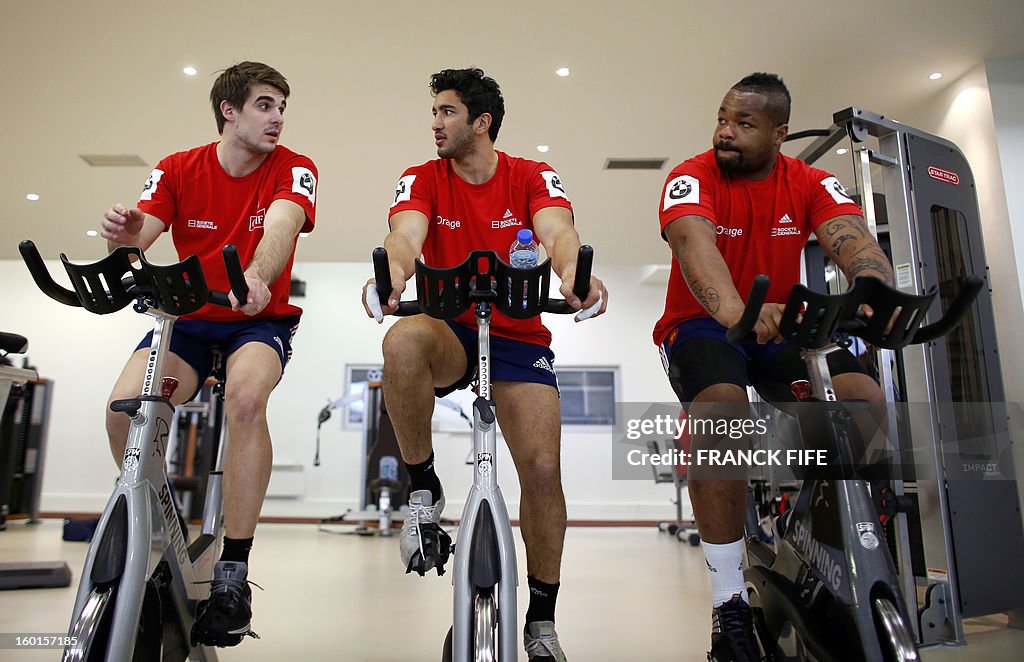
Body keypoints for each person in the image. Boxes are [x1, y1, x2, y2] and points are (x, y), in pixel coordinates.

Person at [362, 67, 607, 661]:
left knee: (543, 471)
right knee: (400, 342)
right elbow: (404, 235)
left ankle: (542, 620)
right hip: (450, 329)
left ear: (481, 122)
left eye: (447, 112)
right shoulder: (422, 178)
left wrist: (574, 272)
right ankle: (424, 488)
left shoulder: (529, 176)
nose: (435, 123)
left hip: (519, 338)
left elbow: (558, 230)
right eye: (435, 112)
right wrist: (389, 277)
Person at [654, 72, 893, 661]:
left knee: (862, 396)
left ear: (780, 133)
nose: (725, 132)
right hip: (704, 326)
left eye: (744, 123)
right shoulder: (692, 176)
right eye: (722, 118)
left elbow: (855, 242)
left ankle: (816, 524)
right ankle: (729, 602)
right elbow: (695, 248)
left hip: (783, 323)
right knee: (722, 414)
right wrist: (739, 310)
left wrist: (877, 292)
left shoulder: (812, 182)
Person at [100, 61, 317, 648]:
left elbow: (282, 227)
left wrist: (256, 277)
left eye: (281, 107)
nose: (277, 118)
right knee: (125, 411)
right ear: (230, 110)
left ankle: (232, 571)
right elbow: (142, 231)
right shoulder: (177, 167)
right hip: (191, 320)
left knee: (247, 396)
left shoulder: (295, 168)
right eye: (265, 105)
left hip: (257, 317)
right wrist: (124, 231)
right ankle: (162, 527)